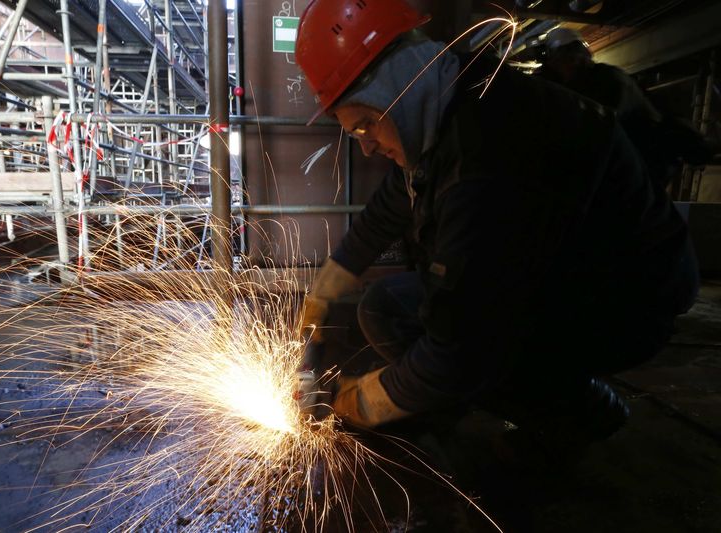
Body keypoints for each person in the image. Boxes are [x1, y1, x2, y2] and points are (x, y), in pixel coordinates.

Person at [295, 0, 699, 457]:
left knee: (470, 350)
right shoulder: (447, 100)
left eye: (367, 124)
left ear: (397, 87)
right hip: (563, 271)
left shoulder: (489, 160)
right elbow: (390, 207)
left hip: (628, 300)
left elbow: (460, 349)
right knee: (385, 307)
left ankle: (582, 412)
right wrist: (324, 290)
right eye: (356, 133)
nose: (367, 148)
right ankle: (442, 399)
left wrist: (353, 403)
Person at [540, 27, 712, 190]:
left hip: (645, 163)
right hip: (633, 166)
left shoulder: (607, 79)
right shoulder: (585, 84)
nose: (559, 70)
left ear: (572, 57)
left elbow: (603, 125)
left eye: (559, 62)